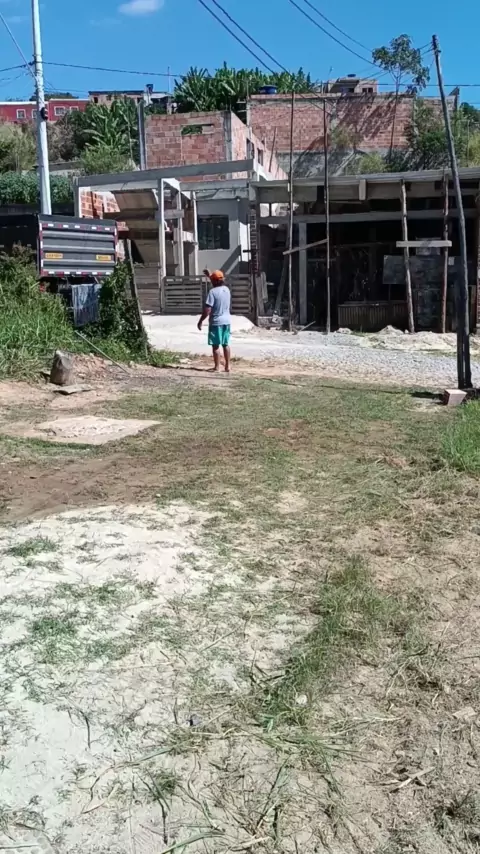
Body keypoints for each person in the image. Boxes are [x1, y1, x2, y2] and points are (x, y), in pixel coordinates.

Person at [197, 269, 231, 373]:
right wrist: (210, 276)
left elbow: (208, 309)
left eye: (212, 279)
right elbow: (217, 281)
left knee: (215, 345)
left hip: (216, 322)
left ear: (214, 281)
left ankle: (217, 367)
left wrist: (200, 321)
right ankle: (227, 366)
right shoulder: (226, 290)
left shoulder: (212, 292)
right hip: (226, 321)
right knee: (225, 344)